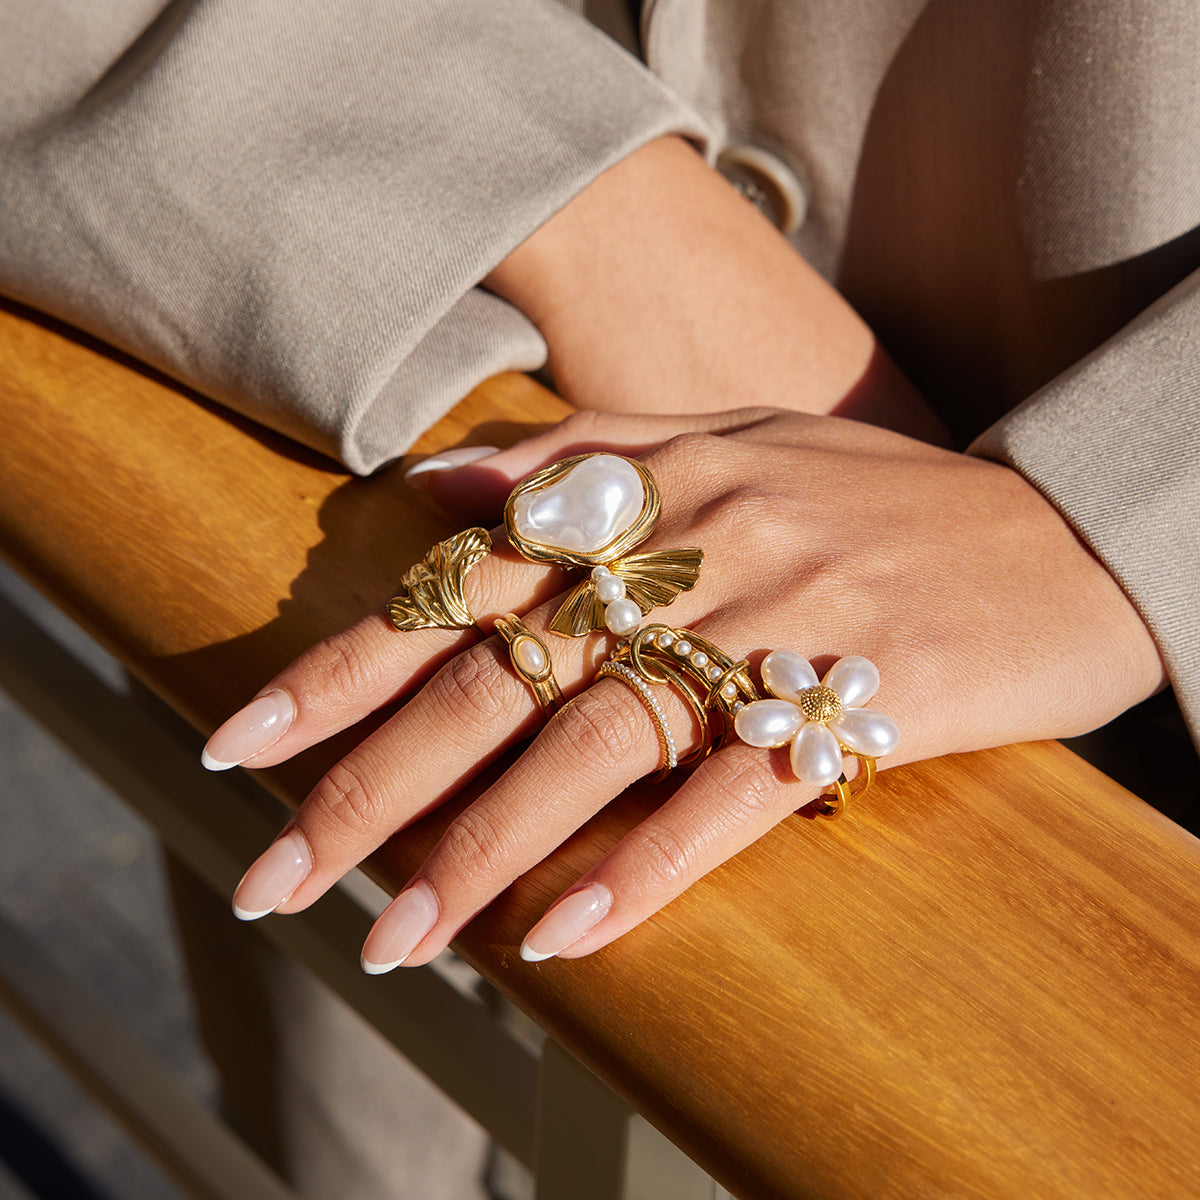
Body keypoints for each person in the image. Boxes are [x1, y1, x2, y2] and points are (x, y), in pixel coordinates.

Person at [3, 0, 1198, 1191]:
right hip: (372, 298)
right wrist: (567, 198)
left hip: (1091, 732)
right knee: (342, 1127)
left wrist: (1122, 503)